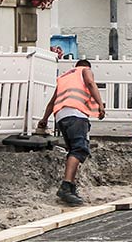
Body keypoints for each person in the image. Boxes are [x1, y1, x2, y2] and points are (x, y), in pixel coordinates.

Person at [36, 58, 105, 206]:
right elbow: (91, 84)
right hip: (76, 114)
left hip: (61, 117)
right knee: (79, 150)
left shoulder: (64, 77)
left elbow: (52, 101)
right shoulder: (85, 70)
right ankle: (66, 186)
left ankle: (71, 188)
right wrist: (100, 104)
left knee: (73, 151)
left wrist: (44, 119)